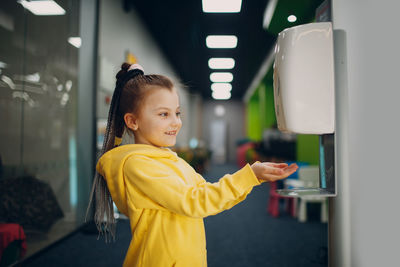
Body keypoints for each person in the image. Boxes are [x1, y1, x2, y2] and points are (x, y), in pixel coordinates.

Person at [87, 63, 298, 267]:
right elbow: (194, 202)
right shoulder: (138, 166)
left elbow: (207, 194)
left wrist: (255, 176)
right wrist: (249, 175)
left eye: (177, 113)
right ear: (133, 121)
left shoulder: (170, 160)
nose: (176, 122)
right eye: (164, 114)